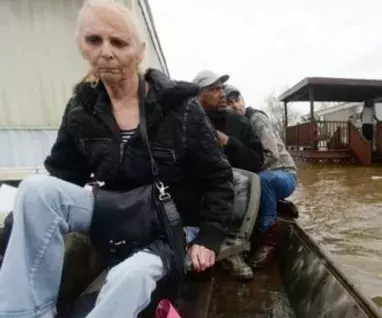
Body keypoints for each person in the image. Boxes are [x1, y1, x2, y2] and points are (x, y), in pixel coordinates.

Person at [0, 2, 234, 317]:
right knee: (36, 188)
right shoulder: (81, 109)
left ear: (139, 51)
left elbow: (218, 178)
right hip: (116, 212)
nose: (105, 52)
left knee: (129, 276)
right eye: (94, 40)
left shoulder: (181, 109)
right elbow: (62, 177)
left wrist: (210, 237)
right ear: (80, 44)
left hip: (170, 224)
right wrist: (12, 231)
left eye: (119, 43)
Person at [190, 72, 263, 281]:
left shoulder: (237, 122)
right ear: (198, 95)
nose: (222, 94)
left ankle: (232, 248)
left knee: (246, 181)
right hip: (196, 187)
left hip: (230, 188)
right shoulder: (188, 121)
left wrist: (229, 143)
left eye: (222, 88)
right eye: (213, 89)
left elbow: (256, 161)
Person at [225, 84, 297, 268]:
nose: (235, 105)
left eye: (237, 99)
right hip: (262, 178)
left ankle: (269, 243)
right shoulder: (232, 124)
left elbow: (271, 154)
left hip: (283, 174)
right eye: (229, 102)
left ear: (243, 100)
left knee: (261, 180)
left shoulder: (255, 119)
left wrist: (246, 176)